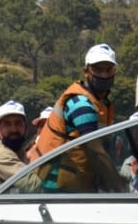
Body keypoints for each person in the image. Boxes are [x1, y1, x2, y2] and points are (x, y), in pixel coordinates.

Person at [31, 44, 123, 192]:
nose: (104, 75)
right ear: (86, 71)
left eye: (109, 69)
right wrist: (119, 186)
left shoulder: (102, 103)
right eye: (98, 69)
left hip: (78, 183)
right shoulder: (81, 104)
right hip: (56, 186)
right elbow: (96, 151)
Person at [0, 101, 32, 198]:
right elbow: (34, 186)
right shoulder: (0, 156)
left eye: (18, 123)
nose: (14, 129)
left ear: (26, 128)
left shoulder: (19, 152)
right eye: (7, 124)